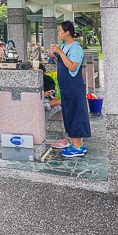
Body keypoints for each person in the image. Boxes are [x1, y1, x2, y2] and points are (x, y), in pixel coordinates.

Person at [45, 21, 91, 157]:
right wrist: (55, 57)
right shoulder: (66, 46)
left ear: (67, 32)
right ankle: (79, 145)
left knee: (76, 114)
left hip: (73, 87)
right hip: (67, 87)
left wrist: (59, 52)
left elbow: (72, 67)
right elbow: (64, 63)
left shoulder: (76, 48)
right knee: (71, 114)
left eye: (60, 30)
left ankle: (77, 148)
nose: (58, 33)